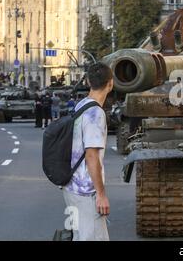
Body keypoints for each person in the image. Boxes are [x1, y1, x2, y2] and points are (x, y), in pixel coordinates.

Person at [63, 62, 113, 241]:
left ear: (89, 83)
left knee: (80, 236)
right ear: (110, 83)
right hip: (86, 191)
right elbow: (91, 154)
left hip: (71, 186)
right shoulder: (95, 113)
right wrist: (101, 194)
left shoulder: (81, 105)